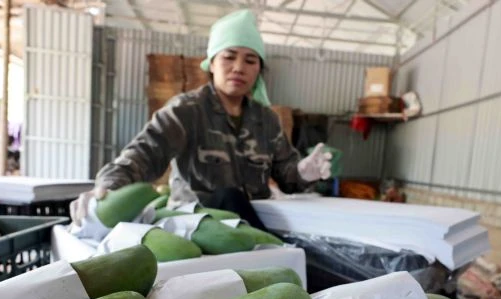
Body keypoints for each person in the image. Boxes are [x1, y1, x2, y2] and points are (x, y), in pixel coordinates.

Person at [70, 9, 331, 230]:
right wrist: (107, 187)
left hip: (252, 227)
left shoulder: (266, 120)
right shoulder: (187, 110)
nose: (239, 67)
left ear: (259, 70)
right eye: (229, 57)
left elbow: (287, 174)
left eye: (250, 60)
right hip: (196, 226)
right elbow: (145, 153)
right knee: (229, 198)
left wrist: (303, 172)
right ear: (212, 63)